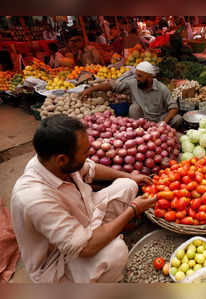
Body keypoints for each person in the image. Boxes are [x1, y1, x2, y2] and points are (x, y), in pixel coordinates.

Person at [11, 115, 156, 283]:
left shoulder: (53, 162)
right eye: (85, 152)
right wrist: (133, 210)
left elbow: (91, 169)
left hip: (84, 216)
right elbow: (85, 248)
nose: (90, 153)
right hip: (58, 260)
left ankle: (105, 233)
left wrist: (130, 175)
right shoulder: (34, 198)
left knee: (128, 185)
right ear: (62, 159)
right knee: (115, 252)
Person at [81, 61, 182, 129]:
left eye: (140, 76)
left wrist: (164, 122)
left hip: (160, 119)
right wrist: (91, 88)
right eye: (136, 75)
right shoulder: (133, 83)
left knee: (178, 119)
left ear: (149, 77)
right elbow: (112, 86)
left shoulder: (162, 88)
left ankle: (164, 131)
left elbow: (173, 107)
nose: (136, 78)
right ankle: (139, 131)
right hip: (143, 120)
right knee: (133, 108)